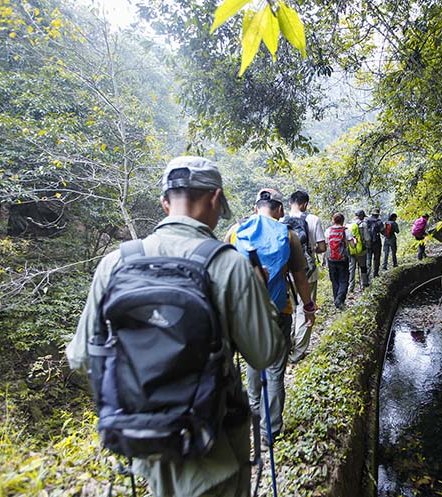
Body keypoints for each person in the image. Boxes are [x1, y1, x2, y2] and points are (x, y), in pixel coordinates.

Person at [66, 156, 284, 497]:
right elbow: (265, 352)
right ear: (215, 198)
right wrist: (260, 290)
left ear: (165, 202)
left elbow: (81, 357)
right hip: (215, 448)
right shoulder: (228, 264)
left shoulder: (116, 263)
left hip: (142, 445)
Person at [224, 188, 315, 446]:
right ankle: (270, 430)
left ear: (255, 208)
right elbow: (300, 276)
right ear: (279, 209)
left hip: (245, 314)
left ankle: (254, 413)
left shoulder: (234, 232)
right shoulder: (287, 235)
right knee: (275, 371)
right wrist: (308, 307)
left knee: (254, 364)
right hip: (279, 311)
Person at [285, 190, 326, 363]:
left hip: (286, 272)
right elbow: (322, 247)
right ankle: (299, 351)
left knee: (292, 309)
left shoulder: (280, 220)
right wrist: (311, 250)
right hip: (307, 271)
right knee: (306, 307)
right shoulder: (313, 219)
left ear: (289, 203)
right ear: (305, 204)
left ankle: (289, 345)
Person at [324, 212, 356, 309]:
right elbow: (353, 246)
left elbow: (326, 245)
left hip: (331, 259)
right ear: (342, 221)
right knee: (344, 280)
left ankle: (336, 301)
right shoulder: (346, 231)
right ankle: (340, 300)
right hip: (343, 259)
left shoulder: (328, 231)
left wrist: (323, 259)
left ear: (333, 220)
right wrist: (354, 240)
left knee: (334, 280)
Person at [348, 209, 369, 293]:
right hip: (361, 250)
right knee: (363, 267)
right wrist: (368, 246)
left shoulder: (349, 224)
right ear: (361, 216)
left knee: (352, 268)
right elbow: (367, 238)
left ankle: (351, 287)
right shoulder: (363, 225)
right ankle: (364, 284)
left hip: (351, 249)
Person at [366, 208, 384, 279]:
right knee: (376, 259)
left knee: (368, 259)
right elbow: (383, 231)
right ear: (378, 215)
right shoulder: (379, 222)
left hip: (368, 242)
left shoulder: (367, 221)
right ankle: (375, 274)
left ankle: (366, 276)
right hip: (377, 242)